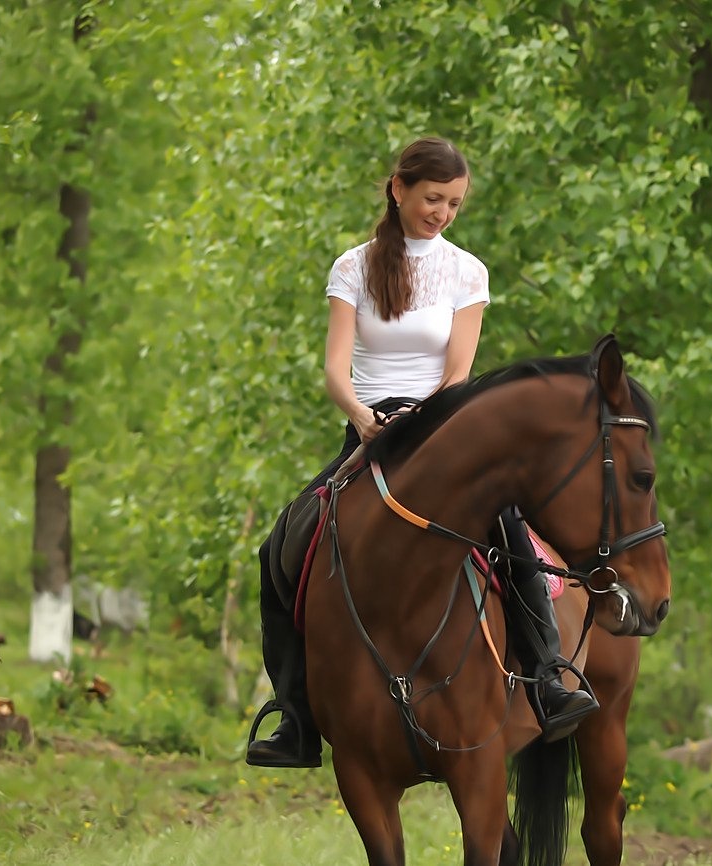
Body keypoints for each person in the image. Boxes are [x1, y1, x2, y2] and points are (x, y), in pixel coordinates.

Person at [245, 137, 599, 769]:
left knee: (512, 528)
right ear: (398, 188)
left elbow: (460, 372)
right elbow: (334, 369)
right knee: (280, 546)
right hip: (369, 432)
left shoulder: (468, 271)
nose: (442, 212)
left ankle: (547, 676)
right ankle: (294, 715)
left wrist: (425, 419)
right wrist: (363, 418)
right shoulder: (352, 267)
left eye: (454, 204)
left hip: (442, 431)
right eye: (434, 198)